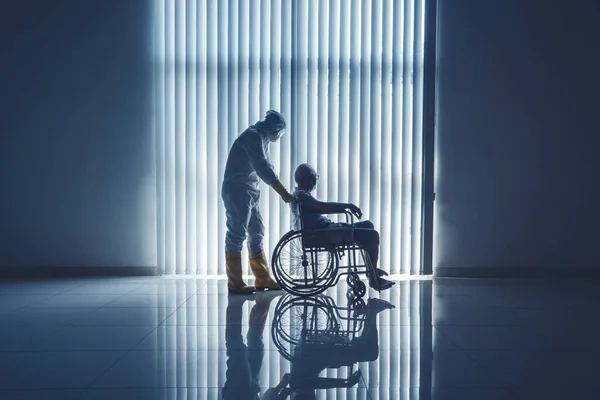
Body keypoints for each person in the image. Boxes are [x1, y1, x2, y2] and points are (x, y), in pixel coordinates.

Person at [222, 110, 295, 294]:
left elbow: (267, 165)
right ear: (274, 128)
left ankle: (263, 278)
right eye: (279, 131)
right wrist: (283, 192)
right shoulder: (252, 136)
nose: (279, 136)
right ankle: (235, 282)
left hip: (249, 190)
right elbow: (263, 168)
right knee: (237, 233)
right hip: (238, 189)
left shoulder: (262, 137)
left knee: (257, 231)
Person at [292, 163, 394, 291]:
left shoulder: (300, 194)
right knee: (373, 235)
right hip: (325, 234)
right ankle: (373, 278)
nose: (314, 180)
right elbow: (321, 206)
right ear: (307, 179)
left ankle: (371, 269)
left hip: (326, 230)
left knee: (368, 225)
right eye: (313, 177)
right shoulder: (301, 195)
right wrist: (348, 205)